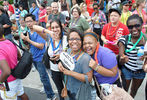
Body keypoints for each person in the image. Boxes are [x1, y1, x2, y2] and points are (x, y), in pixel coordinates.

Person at [20, 14, 56, 100]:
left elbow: (41, 46)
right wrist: (25, 41)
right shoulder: (28, 32)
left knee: (44, 77)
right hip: (34, 57)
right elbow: (29, 47)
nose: (28, 23)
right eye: (26, 21)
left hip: (40, 58)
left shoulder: (38, 31)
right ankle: (47, 89)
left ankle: (51, 95)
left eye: (30, 21)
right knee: (42, 76)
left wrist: (28, 40)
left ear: (35, 21)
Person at [32, 19, 68, 100]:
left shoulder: (66, 38)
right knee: (60, 90)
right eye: (53, 28)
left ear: (61, 27)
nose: (55, 29)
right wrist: (49, 32)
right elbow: (34, 27)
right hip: (54, 69)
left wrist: (61, 55)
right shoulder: (49, 37)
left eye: (57, 27)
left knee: (69, 90)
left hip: (66, 69)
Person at [58, 28, 93, 100]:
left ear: (82, 41)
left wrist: (70, 73)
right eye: (71, 39)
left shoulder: (85, 58)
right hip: (69, 88)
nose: (74, 41)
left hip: (80, 93)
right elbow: (64, 61)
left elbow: (88, 78)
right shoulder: (68, 51)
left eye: (77, 39)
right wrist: (60, 64)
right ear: (68, 41)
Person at [83, 32, 120, 96]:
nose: (87, 46)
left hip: (111, 86)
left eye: (90, 43)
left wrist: (96, 67)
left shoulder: (106, 53)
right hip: (98, 86)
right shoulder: (86, 53)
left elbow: (113, 73)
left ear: (97, 43)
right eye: (84, 44)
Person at [118, 14, 146, 98]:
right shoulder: (124, 39)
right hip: (127, 70)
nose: (134, 29)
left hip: (140, 72)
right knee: (124, 91)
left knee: (133, 92)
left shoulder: (146, 40)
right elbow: (121, 57)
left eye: (137, 25)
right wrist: (122, 59)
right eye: (130, 27)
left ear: (142, 25)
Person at [0, 24, 29, 100]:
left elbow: (6, 71)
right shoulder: (9, 41)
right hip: (16, 76)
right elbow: (19, 57)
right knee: (21, 94)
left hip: (7, 82)